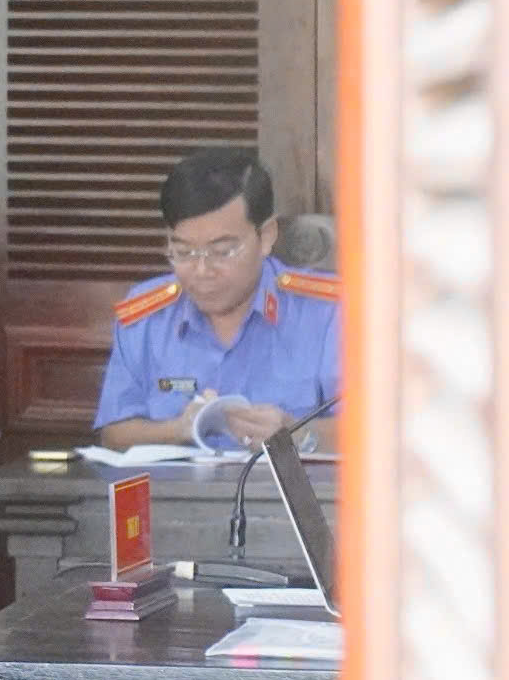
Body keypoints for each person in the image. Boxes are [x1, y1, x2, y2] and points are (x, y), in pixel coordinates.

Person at [93, 148, 342, 452]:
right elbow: (114, 434)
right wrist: (177, 429)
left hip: (278, 484)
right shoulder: (146, 315)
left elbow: (374, 431)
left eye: (222, 251)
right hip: (176, 485)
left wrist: (298, 434)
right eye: (183, 252)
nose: (202, 271)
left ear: (266, 236)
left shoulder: (329, 312)